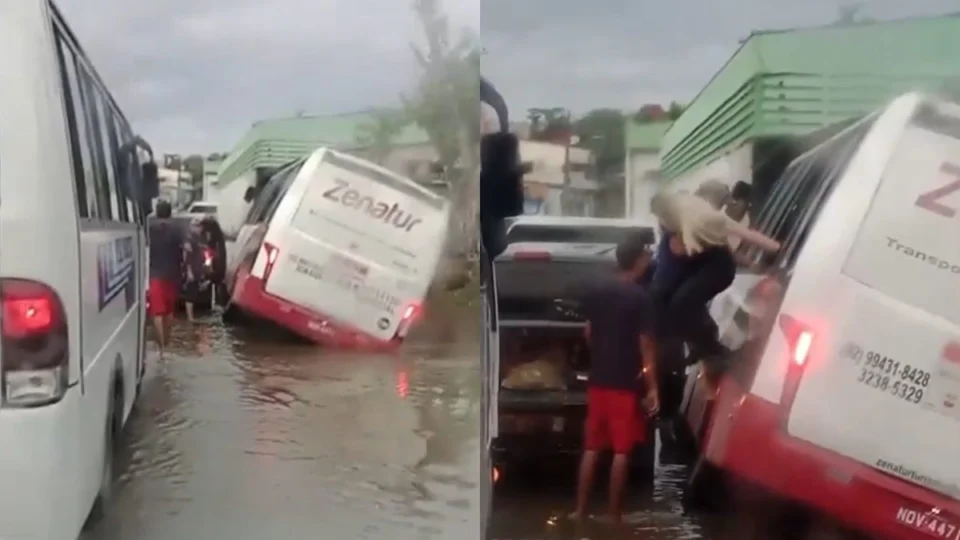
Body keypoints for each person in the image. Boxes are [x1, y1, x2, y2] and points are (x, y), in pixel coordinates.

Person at [572, 232, 659, 526]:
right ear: (639, 261)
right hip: (624, 384)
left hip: (598, 381)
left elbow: (588, 333)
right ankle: (613, 517)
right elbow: (646, 346)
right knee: (621, 452)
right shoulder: (641, 298)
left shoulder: (598, 292)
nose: (649, 262)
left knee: (592, 448)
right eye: (646, 257)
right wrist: (653, 388)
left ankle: (580, 512)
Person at [148, 200, 187, 353]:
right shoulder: (177, 229)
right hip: (173, 274)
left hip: (155, 274)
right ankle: (167, 342)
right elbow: (185, 249)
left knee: (157, 311)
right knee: (169, 311)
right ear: (170, 212)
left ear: (157, 212)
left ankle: (161, 346)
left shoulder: (150, 229)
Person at [181, 218, 208, 322]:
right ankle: (190, 318)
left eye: (200, 226)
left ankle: (192, 316)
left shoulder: (201, 239)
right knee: (190, 294)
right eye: (196, 226)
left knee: (195, 292)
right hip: (191, 270)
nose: (199, 228)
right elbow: (186, 256)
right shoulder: (189, 239)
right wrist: (189, 271)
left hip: (198, 269)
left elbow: (205, 255)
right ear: (191, 227)